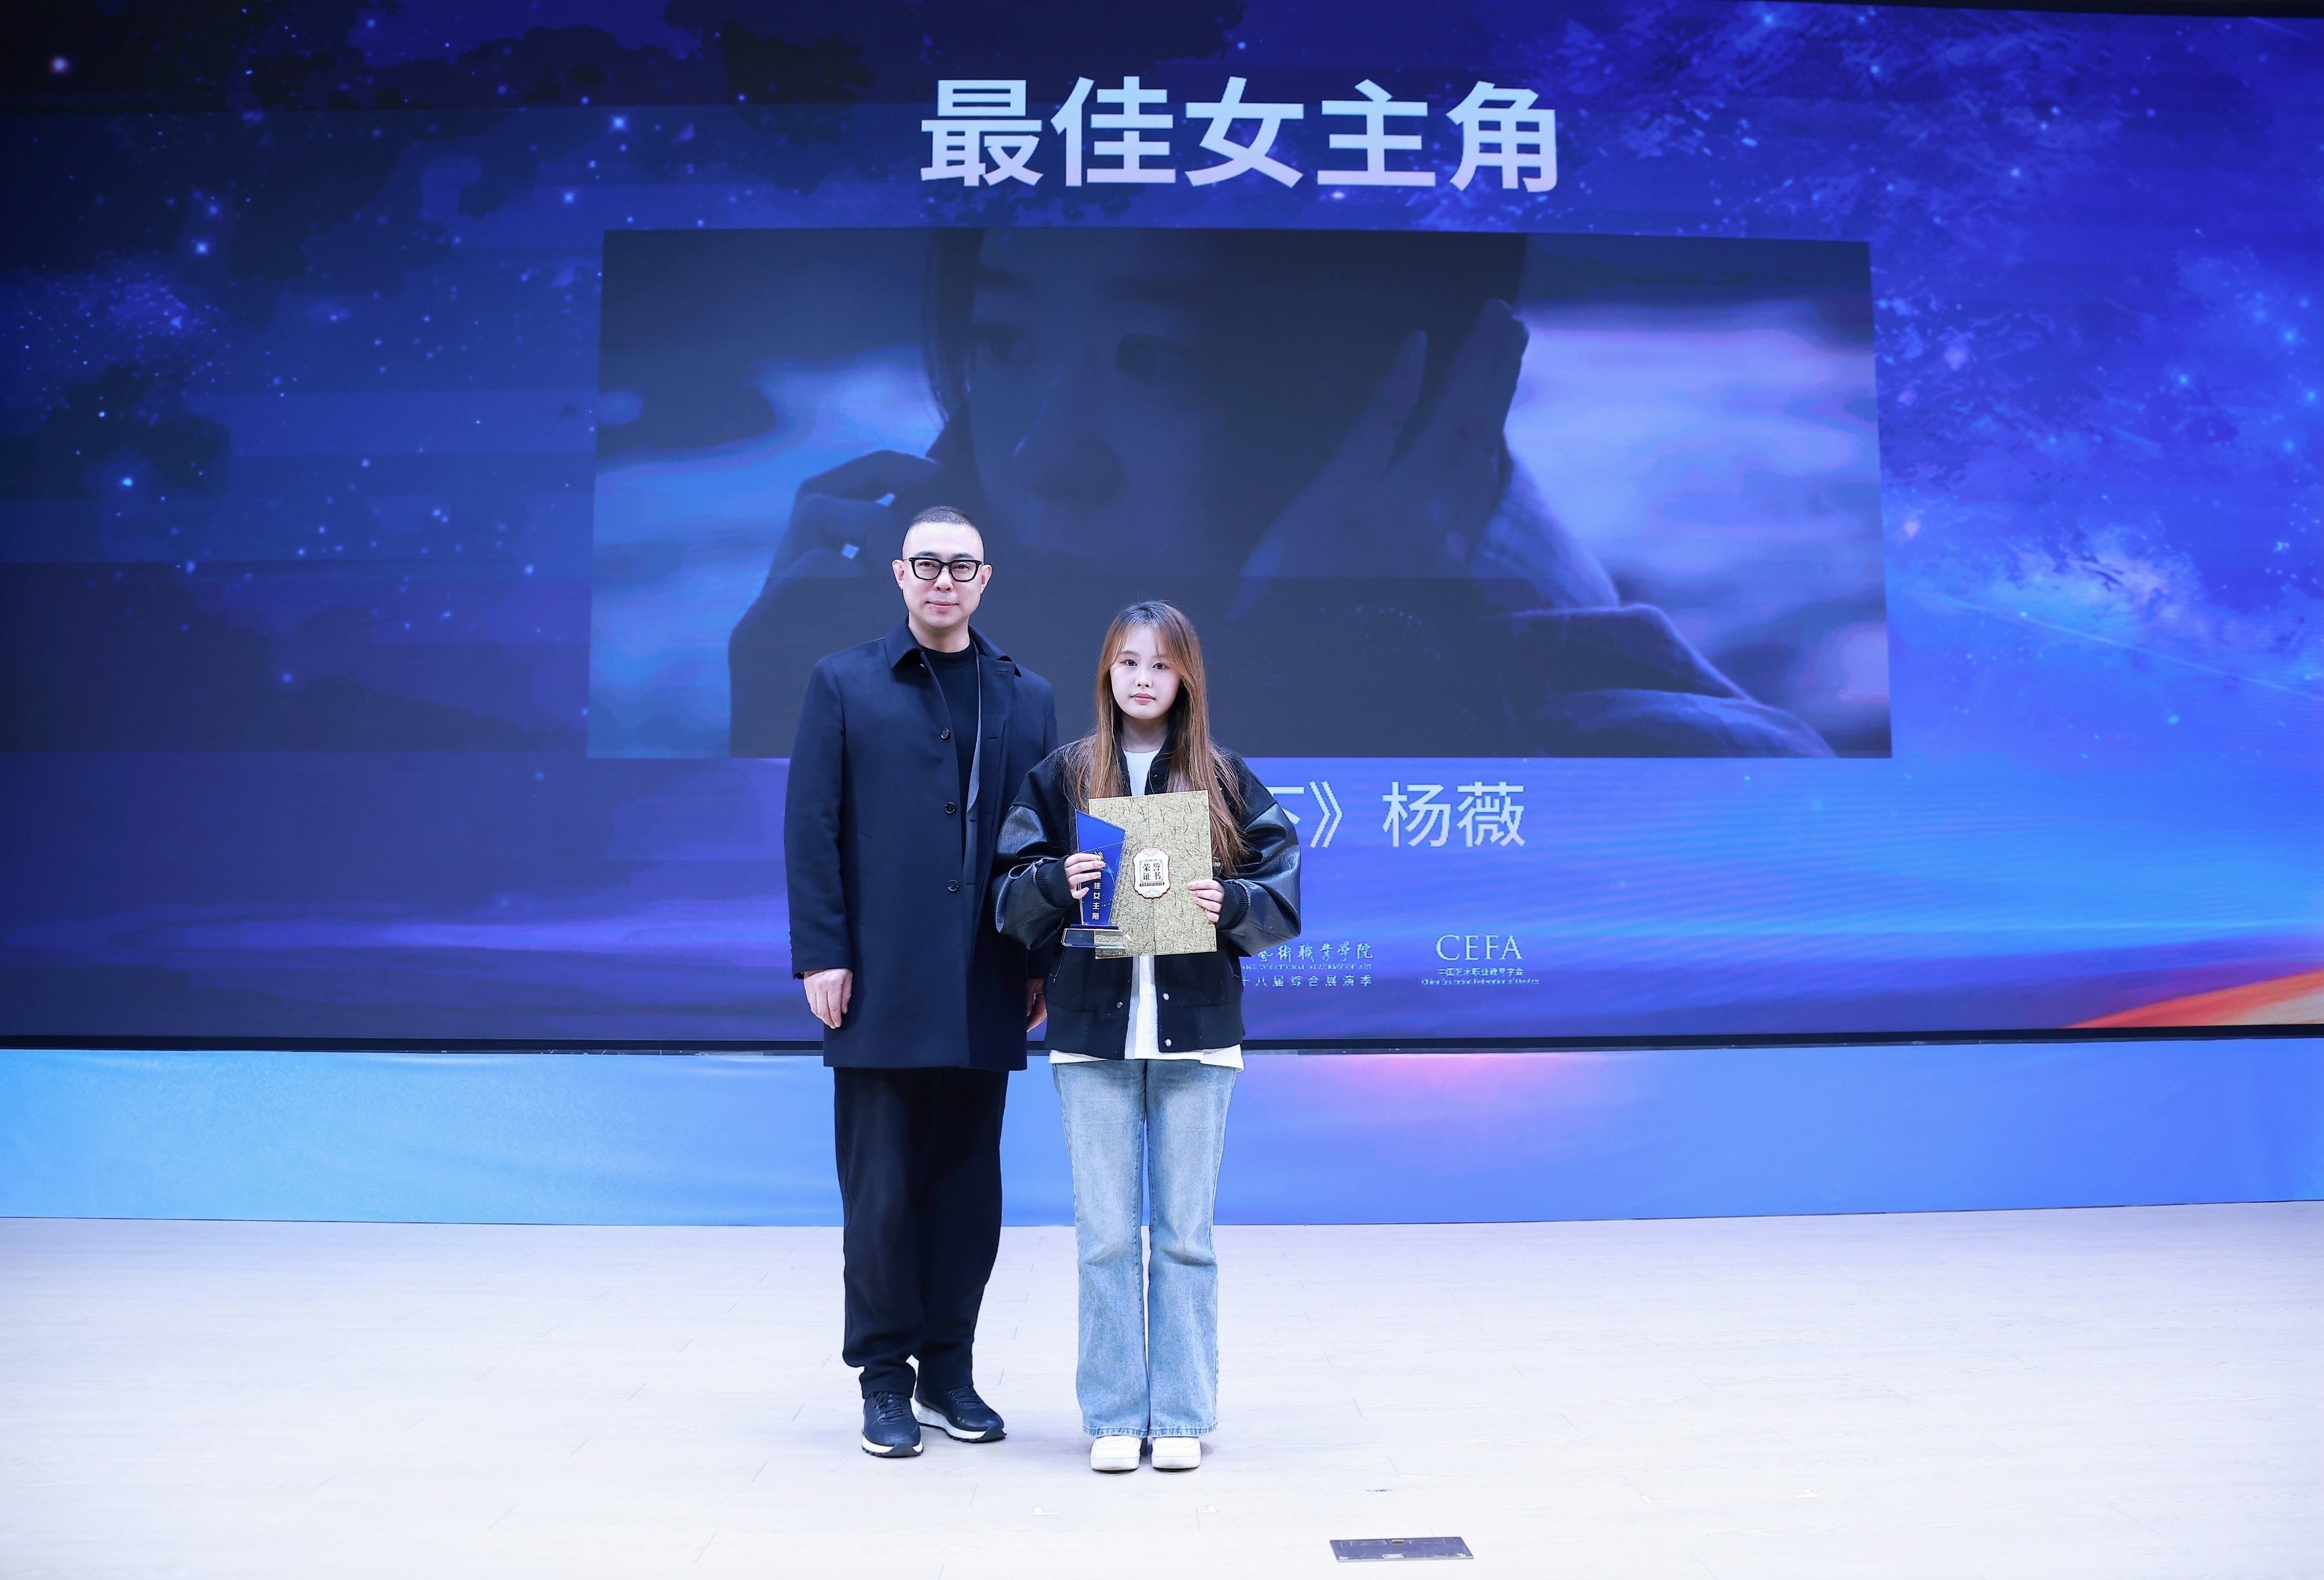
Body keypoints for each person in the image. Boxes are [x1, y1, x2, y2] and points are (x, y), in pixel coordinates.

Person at [730, 227, 1831, 758]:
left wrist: (1318, 660)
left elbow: (1148, 966)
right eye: (1004, 342)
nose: (1041, 458)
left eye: (1157, 359)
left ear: (1405, 402)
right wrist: (794, 742)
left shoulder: (1683, 766)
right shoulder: (976, 679)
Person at [991, 600, 1301, 1473]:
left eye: (1161, 664)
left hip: (1197, 1033)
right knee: (1104, 1237)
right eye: (1128, 661)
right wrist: (1058, 880)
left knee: (1184, 1235)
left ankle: (1183, 1413)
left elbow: (1280, 889)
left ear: (1186, 678)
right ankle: (1115, 1414)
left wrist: (1230, 901)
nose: (1142, 678)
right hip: (1092, 1032)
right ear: (1106, 672)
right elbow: (1007, 893)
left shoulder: (1222, 778)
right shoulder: (1064, 776)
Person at [782, 505, 1059, 1458]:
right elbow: (812, 826)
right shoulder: (843, 682)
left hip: (987, 976)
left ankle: (949, 1371)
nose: (944, 580)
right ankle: (883, 1380)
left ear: (986, 580)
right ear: (899, 574)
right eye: (927, 564)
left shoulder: (1027, 696)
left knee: (967, 1191)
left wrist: (1040, 960)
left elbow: (1043, 842)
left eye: (962, 566)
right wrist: (822, 952)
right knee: (882, 1193)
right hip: (878, 979)